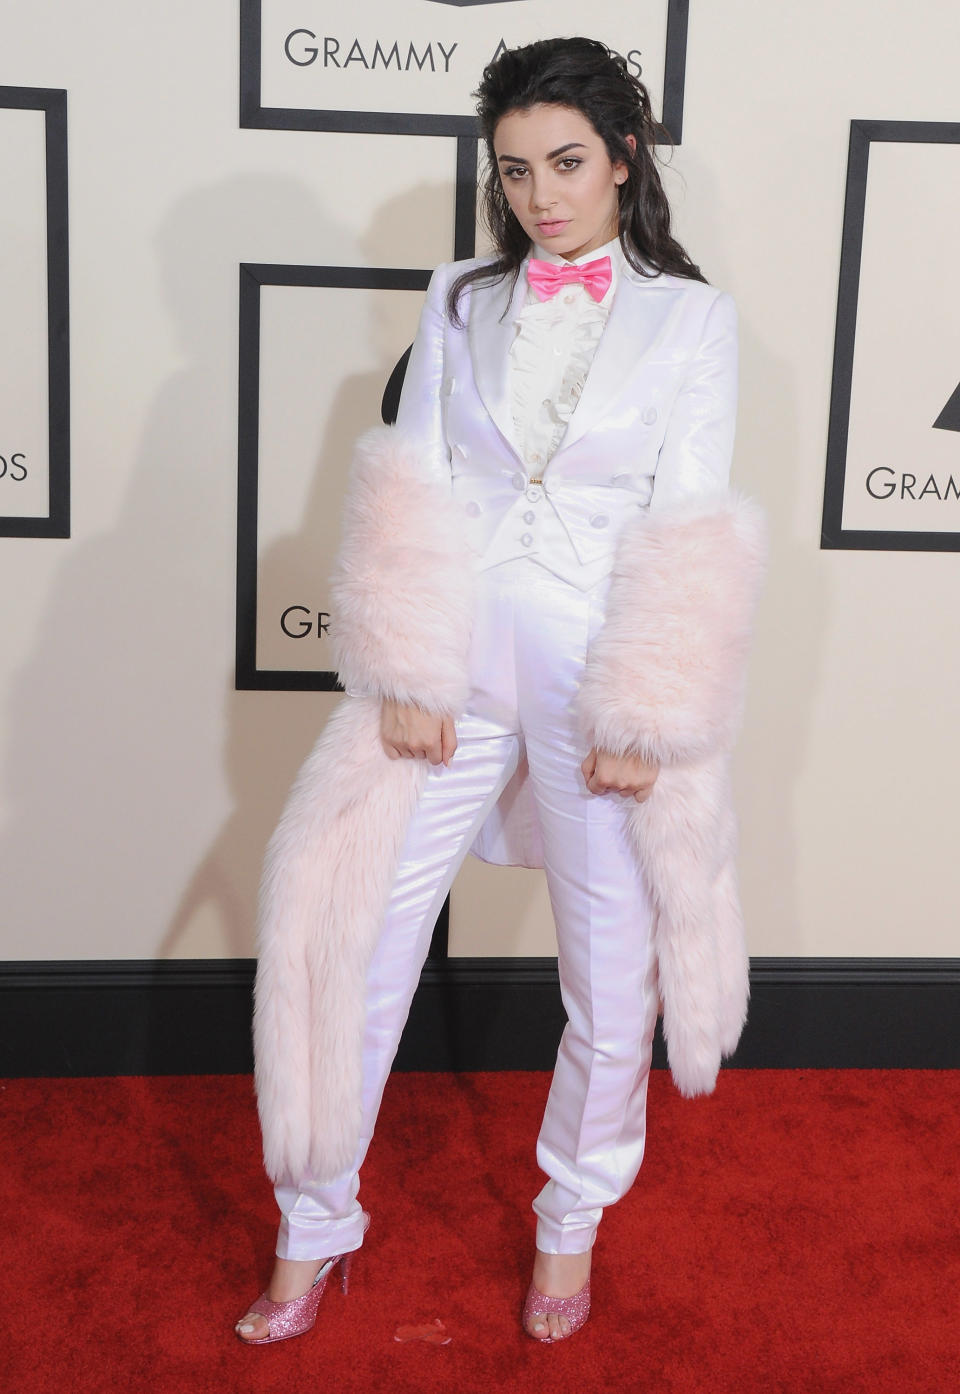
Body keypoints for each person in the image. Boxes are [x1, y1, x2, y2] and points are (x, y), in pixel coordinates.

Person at [235, 36, 766, 1346]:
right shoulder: (459, 293)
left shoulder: (691, 318)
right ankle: (313, 1223)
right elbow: (412, 476)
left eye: (568, 163)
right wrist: (409, 664)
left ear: (624, 158)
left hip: (601, 678)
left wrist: (648, 710)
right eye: (518, 169)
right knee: (353, 946)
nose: (541, 194)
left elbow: (691, 514)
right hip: (457, 664)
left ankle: (569, 1220)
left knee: (610, 981)